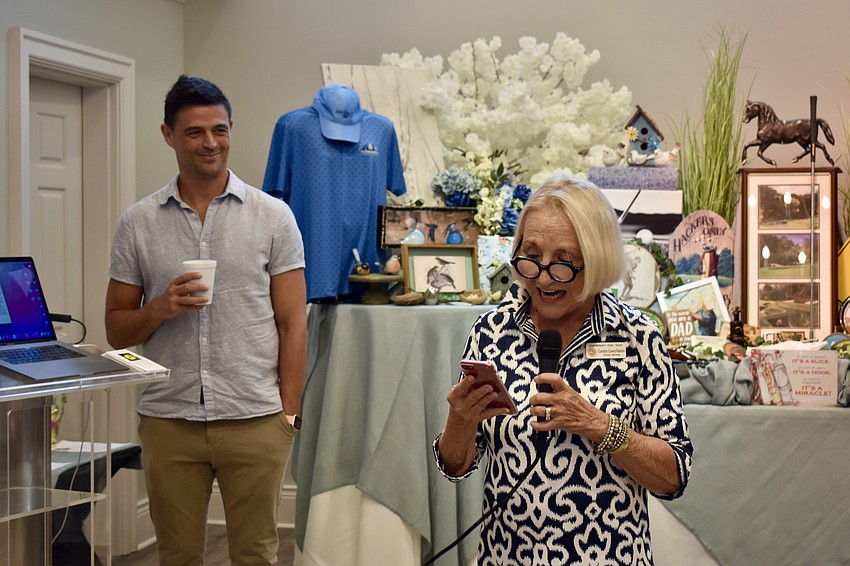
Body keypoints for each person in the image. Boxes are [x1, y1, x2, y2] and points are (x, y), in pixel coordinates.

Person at [434, 175, 692, 565]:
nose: (542, 275)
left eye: (565, 262)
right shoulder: (490, 332)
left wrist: (598, 425)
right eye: (532, 256)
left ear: (598, 258)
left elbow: (673, 477)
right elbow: (456, 466)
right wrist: (459, 422)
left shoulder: (639, 337)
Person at [105, 75, 307, 565]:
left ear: (231, 128)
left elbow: (292, 323)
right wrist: (160, 308)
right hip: (169, 417)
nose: (210, 142)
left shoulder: (273, 216)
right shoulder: (139, 222)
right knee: (176, 556)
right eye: (195, 132)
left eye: (219, 129)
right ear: (168, 135)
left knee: (256, 554)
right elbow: (115, 328)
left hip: (255, 415)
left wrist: (288, 414)